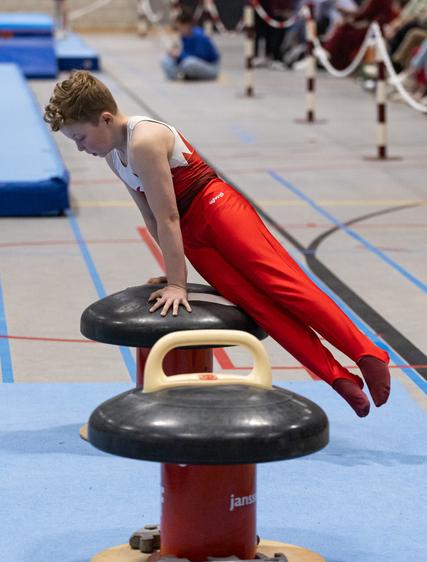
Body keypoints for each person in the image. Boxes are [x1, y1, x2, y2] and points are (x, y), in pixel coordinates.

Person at [43, 71, 391, 418]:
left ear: (105, 119)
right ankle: (338, 378)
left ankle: (366, 353)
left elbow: (168, 218)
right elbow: (151, 218)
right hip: (193, 236)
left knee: (283, 286)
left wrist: (179, 283)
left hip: (218, 211)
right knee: (259, 307)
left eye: (81, 137)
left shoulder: (144, 140)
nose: (80, 147)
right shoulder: (113, 156)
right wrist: (171, 272)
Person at [161, 10, 220, 81]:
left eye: (180, 27)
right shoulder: (184, 37)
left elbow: (199, 57)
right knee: (165, 60)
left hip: (210, 67)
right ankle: (177, 76)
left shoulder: (199, 36)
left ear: (187, 25)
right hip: (191, 62)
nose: (179, 30)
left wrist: (180, 54)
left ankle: (188, 75)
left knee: (189, 63)